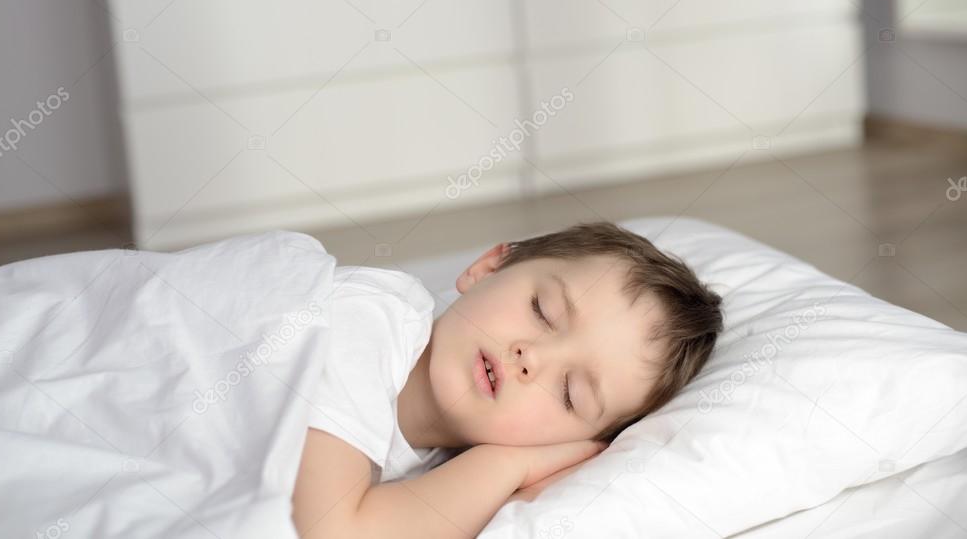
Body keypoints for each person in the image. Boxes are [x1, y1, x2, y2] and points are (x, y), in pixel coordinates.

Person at [292, 220, 723, 538]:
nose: (531, 358)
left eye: (570, 394)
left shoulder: (442, 473)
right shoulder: (367, 318)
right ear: (489, 267)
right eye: (543, 310)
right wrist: (508, 464)